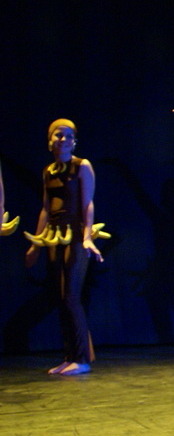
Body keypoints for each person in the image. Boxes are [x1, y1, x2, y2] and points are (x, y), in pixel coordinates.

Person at [24, 119, 104, 375]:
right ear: (50, 140)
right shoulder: (48, 171)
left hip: (75, 236)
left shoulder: (82, 166)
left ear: (74, 141)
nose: (64, 139)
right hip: (54, 237)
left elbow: (88, 203)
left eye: (69, 136)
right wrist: (36, 246)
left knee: (71, 295)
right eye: (59, 135)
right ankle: (70, 356)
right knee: (60, 297)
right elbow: (46, 209)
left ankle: (82, 359)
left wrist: (87, 237)